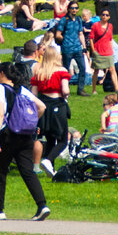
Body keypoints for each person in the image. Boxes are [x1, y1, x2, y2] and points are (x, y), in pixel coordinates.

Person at [0, 61, 49, 222]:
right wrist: (31, 122)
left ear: (3, 74)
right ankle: (42, 205)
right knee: (28, 171)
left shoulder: (0, 89)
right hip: (25, 135)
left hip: (8, 135)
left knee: (0, 172)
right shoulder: (22, 89)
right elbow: (41, 107)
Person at [30, 42, 70, 178]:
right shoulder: (62, 71)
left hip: (43, 108)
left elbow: (33, 94)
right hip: (57, 106)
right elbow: (65, 90)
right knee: (63, 140)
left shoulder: (39, 72)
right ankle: (47, 160)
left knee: (50, 138)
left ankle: (51, 169)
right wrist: (67, 94)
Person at [53, 2, 89, 96]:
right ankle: (64, 89)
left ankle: (80, 89)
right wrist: (64, 41)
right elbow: (58, 34)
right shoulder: (64, 20)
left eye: (76, 8)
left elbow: (81, 34)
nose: (74, 10)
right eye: (72, 8)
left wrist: (84, 47)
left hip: (77, 48)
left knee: (82, 68)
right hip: (67, 49)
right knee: (65, 70)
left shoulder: (78, 19)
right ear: (68, 9)